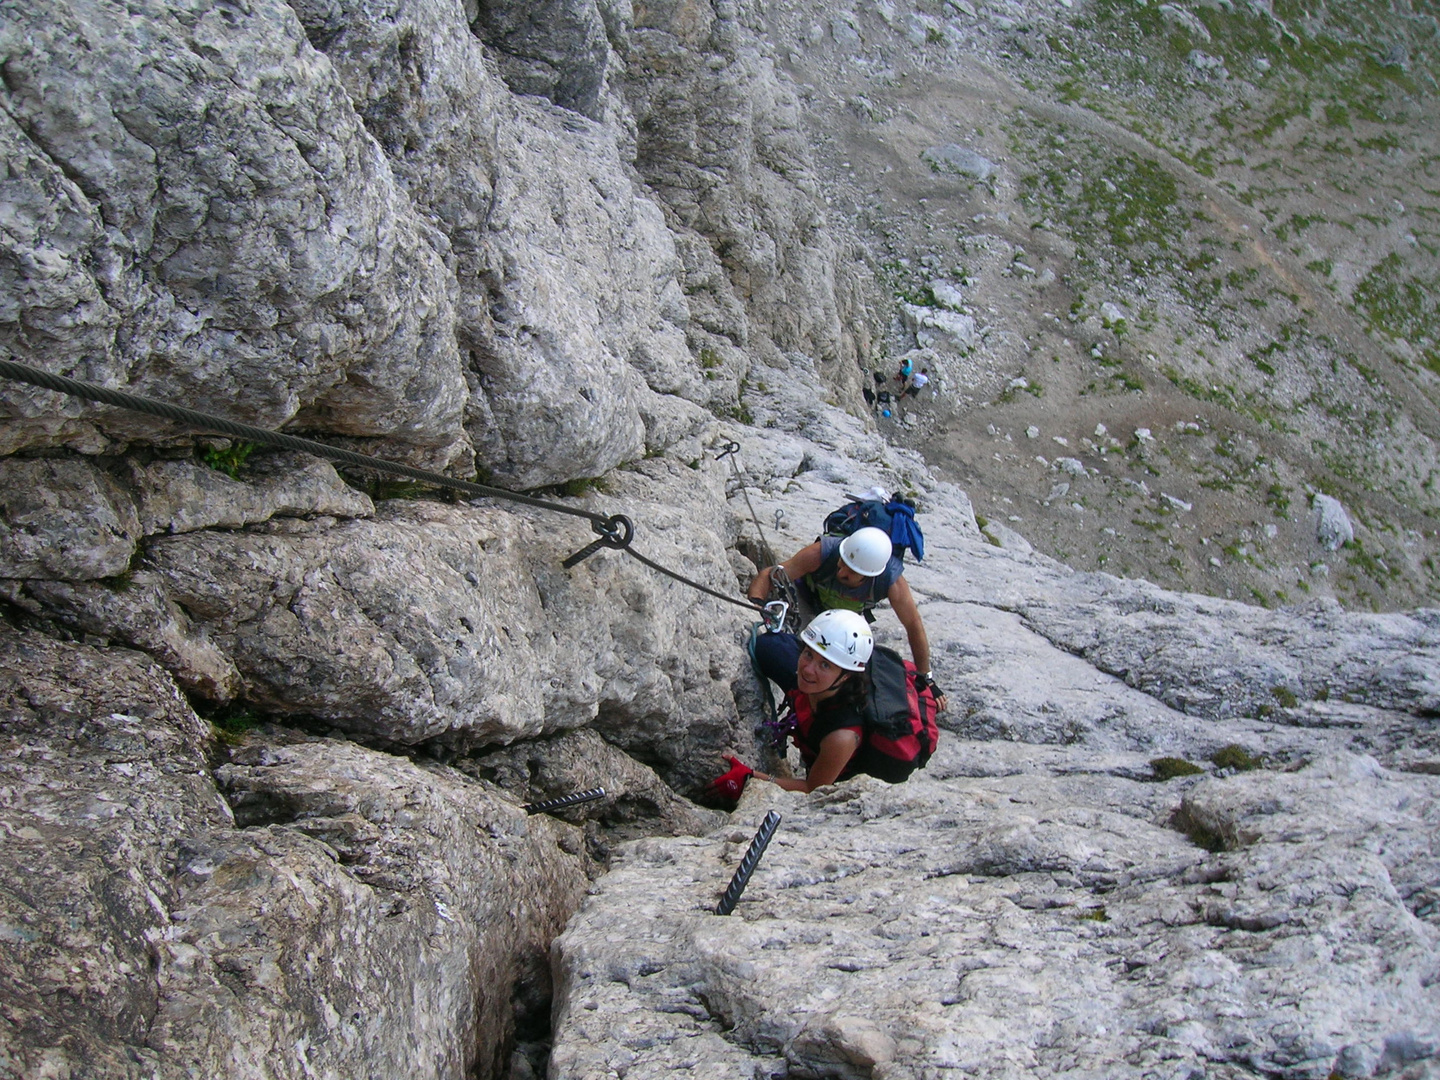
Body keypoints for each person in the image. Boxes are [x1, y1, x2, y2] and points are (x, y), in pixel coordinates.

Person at [747, 526, 946, 711]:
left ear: (868, 576)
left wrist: (926, 678)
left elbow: (913, 625)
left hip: (844, 620)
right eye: (842, 563)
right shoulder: (822, 552)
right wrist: (754, 607)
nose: (841, 571)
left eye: (851, 573)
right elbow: (771, 575)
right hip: (805, 602)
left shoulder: (890, 581)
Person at [706, 610, 876, 795]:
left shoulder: (841, 736)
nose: (808, 670)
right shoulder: (811, 682)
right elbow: (769, 646)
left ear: (846, 677)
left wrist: (751, 777)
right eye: (809, 654)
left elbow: (812, 789)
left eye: (825, 665)